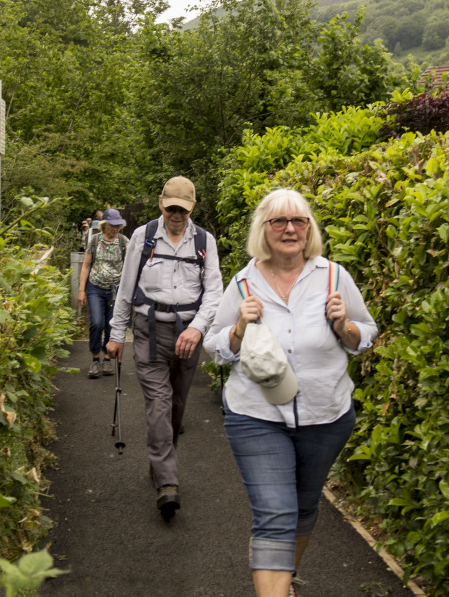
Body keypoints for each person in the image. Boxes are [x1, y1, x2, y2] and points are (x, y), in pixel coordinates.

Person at [203, 188, 378, 597]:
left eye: (299, 220)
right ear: (263, 230)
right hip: (255, 416)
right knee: (275, 514)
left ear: (309, 229)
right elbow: (215, 348)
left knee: (303, 508)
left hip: (326, 417)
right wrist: (238, 329)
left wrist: (344, 326)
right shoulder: (243, 282)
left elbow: (365, 336)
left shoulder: (334, 276)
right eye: (279, 221)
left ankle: (285, 576)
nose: (290, 229)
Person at [107, 176, 222, 520]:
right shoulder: (142, 238)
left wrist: (198, 328)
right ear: (161, 203)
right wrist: (116, 334)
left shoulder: (204, 241)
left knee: (176, 406)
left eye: (183, 210)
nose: (176, 214)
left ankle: (159, 463)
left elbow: (214, 293)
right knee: (159, 402)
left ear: (192, 208)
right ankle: (167, 484)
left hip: (189, 333)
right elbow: (126, 289)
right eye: (171, 207)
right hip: (148, 331)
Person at [78, 209, 129, 378]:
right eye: (112, 225)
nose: (115, 229)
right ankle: (95, 359)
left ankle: (107, 360)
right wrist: (81, 290)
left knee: (111, 325)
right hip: (95, 287)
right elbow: (86, 266)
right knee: (96, 323)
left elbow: (131, 267)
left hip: (116, 290)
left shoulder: (123, 242)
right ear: (104, 225)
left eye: (118, 225)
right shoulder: (94, 240)